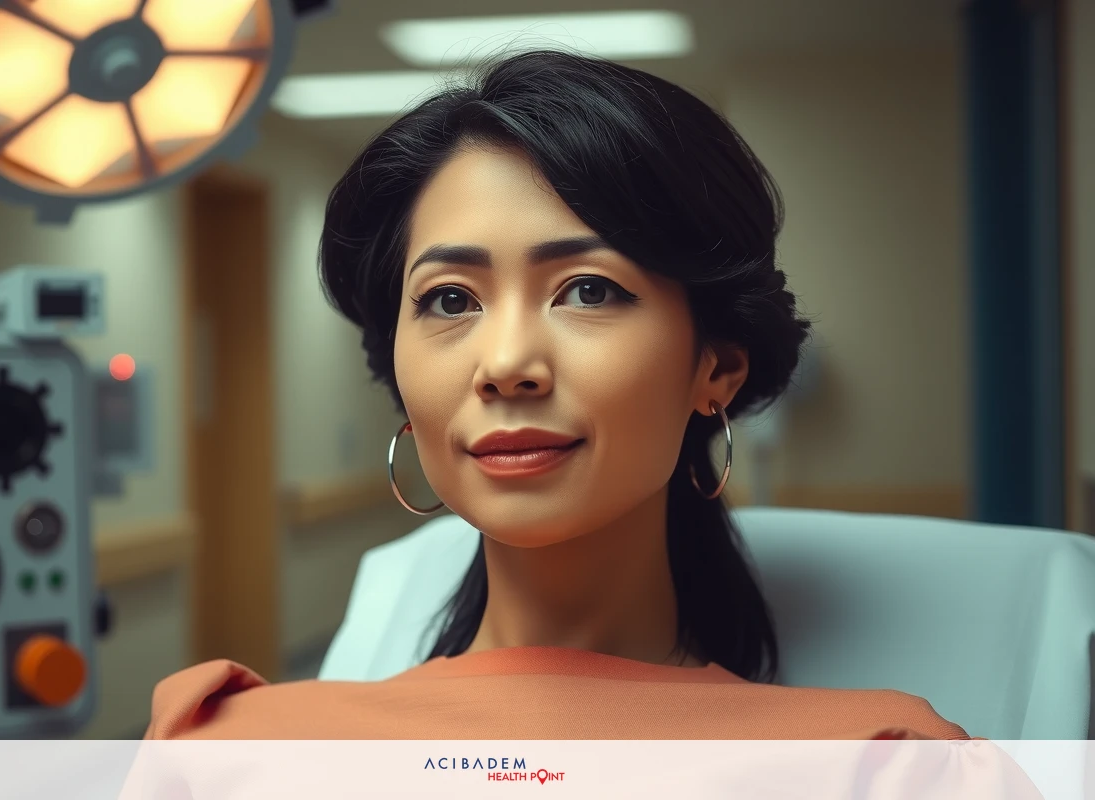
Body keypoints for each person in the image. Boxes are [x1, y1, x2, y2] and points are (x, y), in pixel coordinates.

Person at [143, 50, 973, 742]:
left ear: (716, 365)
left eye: (588, 290)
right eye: (450, 300)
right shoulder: (232, 750)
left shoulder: (880, 766)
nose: (506, 364)